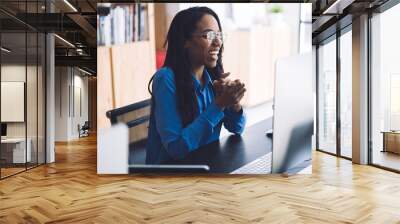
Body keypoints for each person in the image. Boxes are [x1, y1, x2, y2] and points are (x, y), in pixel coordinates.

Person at [146, 7, 246, 164]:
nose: (218, 42)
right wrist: (219, 104)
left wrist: (233, 102)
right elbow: (176, 149)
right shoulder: (165, 79)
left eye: (219, 35)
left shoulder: (212, 77)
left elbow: (237, 128)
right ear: (185, 41)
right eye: (209, 35)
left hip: (205, 165)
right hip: (170, 175)